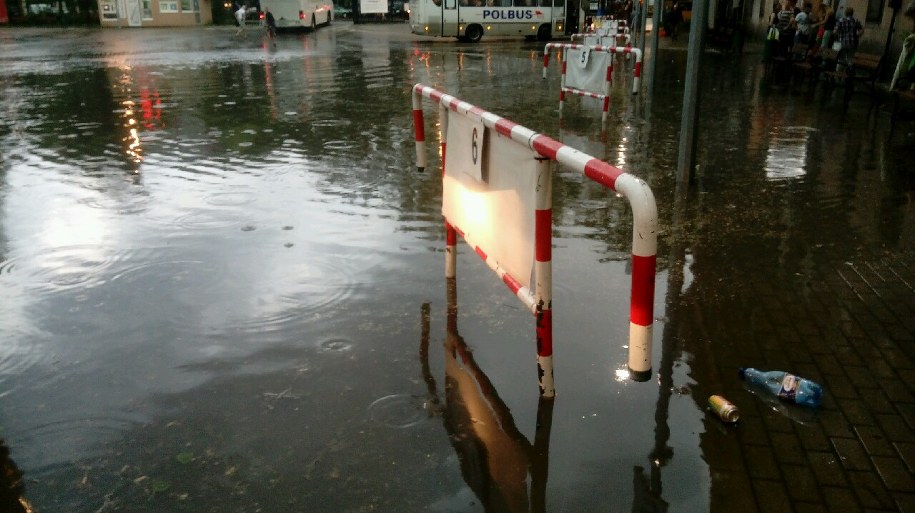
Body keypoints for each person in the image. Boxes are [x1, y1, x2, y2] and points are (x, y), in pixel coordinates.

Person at [834, 6, 863, 71]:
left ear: (845, 13)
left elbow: (835, 31)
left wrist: (838, 34)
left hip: (843, 42)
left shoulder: (841, 20)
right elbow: (861, 31)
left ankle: (838, 73)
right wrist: (857, 35)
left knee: (841, 58)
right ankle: (849, 71)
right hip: (853, 43)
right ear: (852, 13)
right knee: (850, 58)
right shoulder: (855, 21)